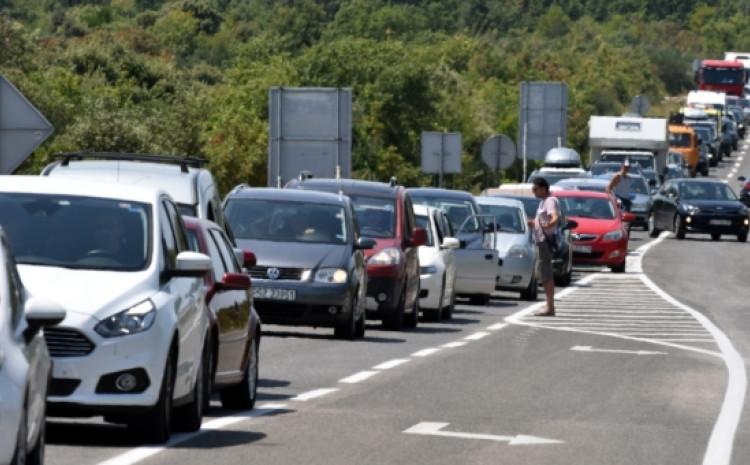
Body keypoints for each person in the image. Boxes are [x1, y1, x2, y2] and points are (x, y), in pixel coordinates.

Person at [528, 177, 560, 317]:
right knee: (542, 273)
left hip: (545, 242)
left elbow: (554, 216)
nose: (533, 192)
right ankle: (549, 305)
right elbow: (542, 220)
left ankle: (550, 306)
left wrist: (550, 224)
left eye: (535, 189)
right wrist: (533, 223)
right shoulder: (543, 202)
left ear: (543, 188)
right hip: (541, 242)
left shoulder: (550, 201)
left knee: (546, 273)